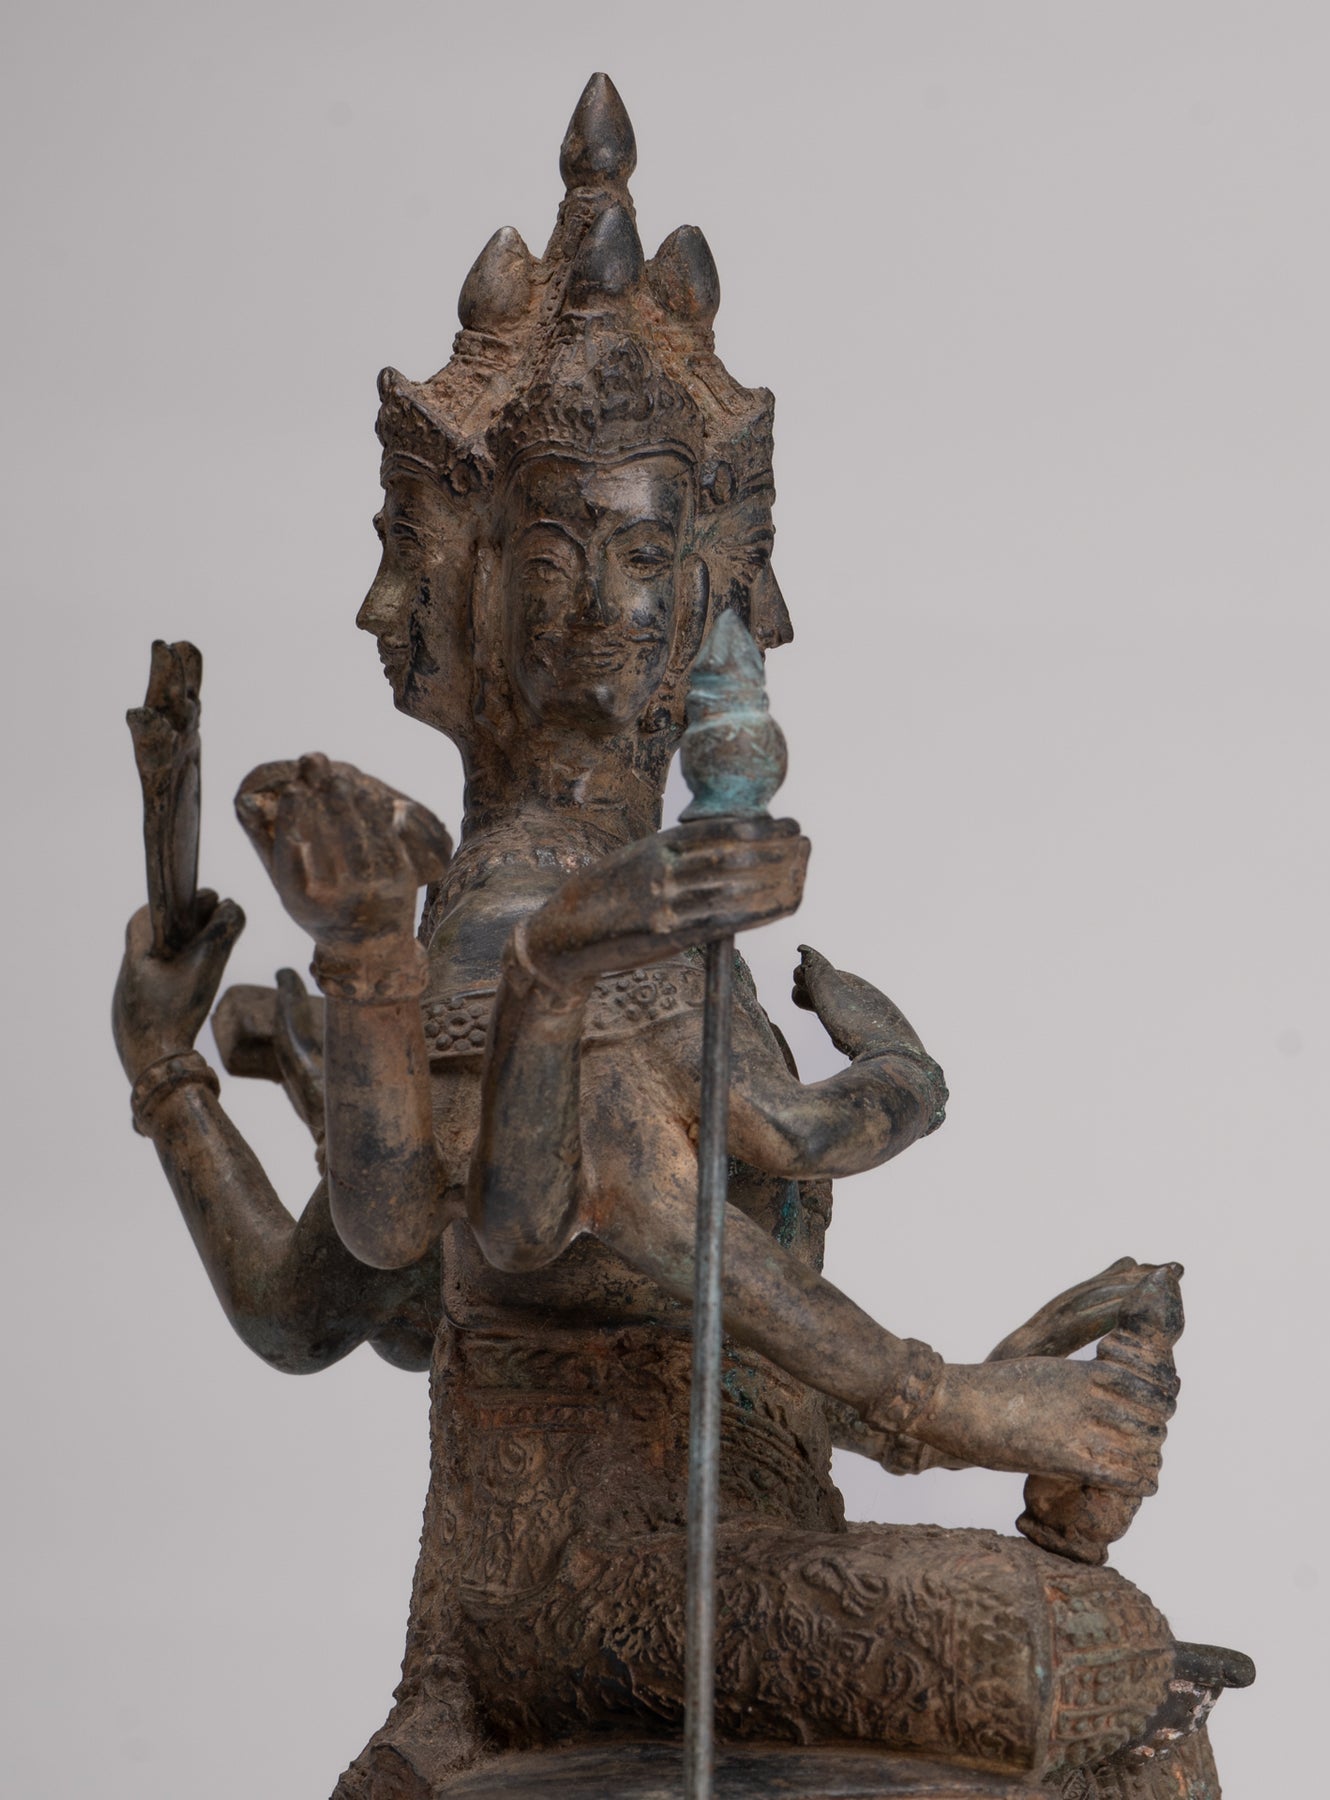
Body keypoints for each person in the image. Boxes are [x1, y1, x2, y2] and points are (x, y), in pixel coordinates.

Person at [114, 75, 1245, 1800]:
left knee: (1093, 1647)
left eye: (650, 559)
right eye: (555, 562)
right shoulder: (510, 907)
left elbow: (702, 1195)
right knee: (1077, 1649)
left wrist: (907, 1107)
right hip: (592, 1595)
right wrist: (949, 1405)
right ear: (466, 590)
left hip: (729, 1550)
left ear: (718, 581)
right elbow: (530, 1228)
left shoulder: (621, 912)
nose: (614, 612)